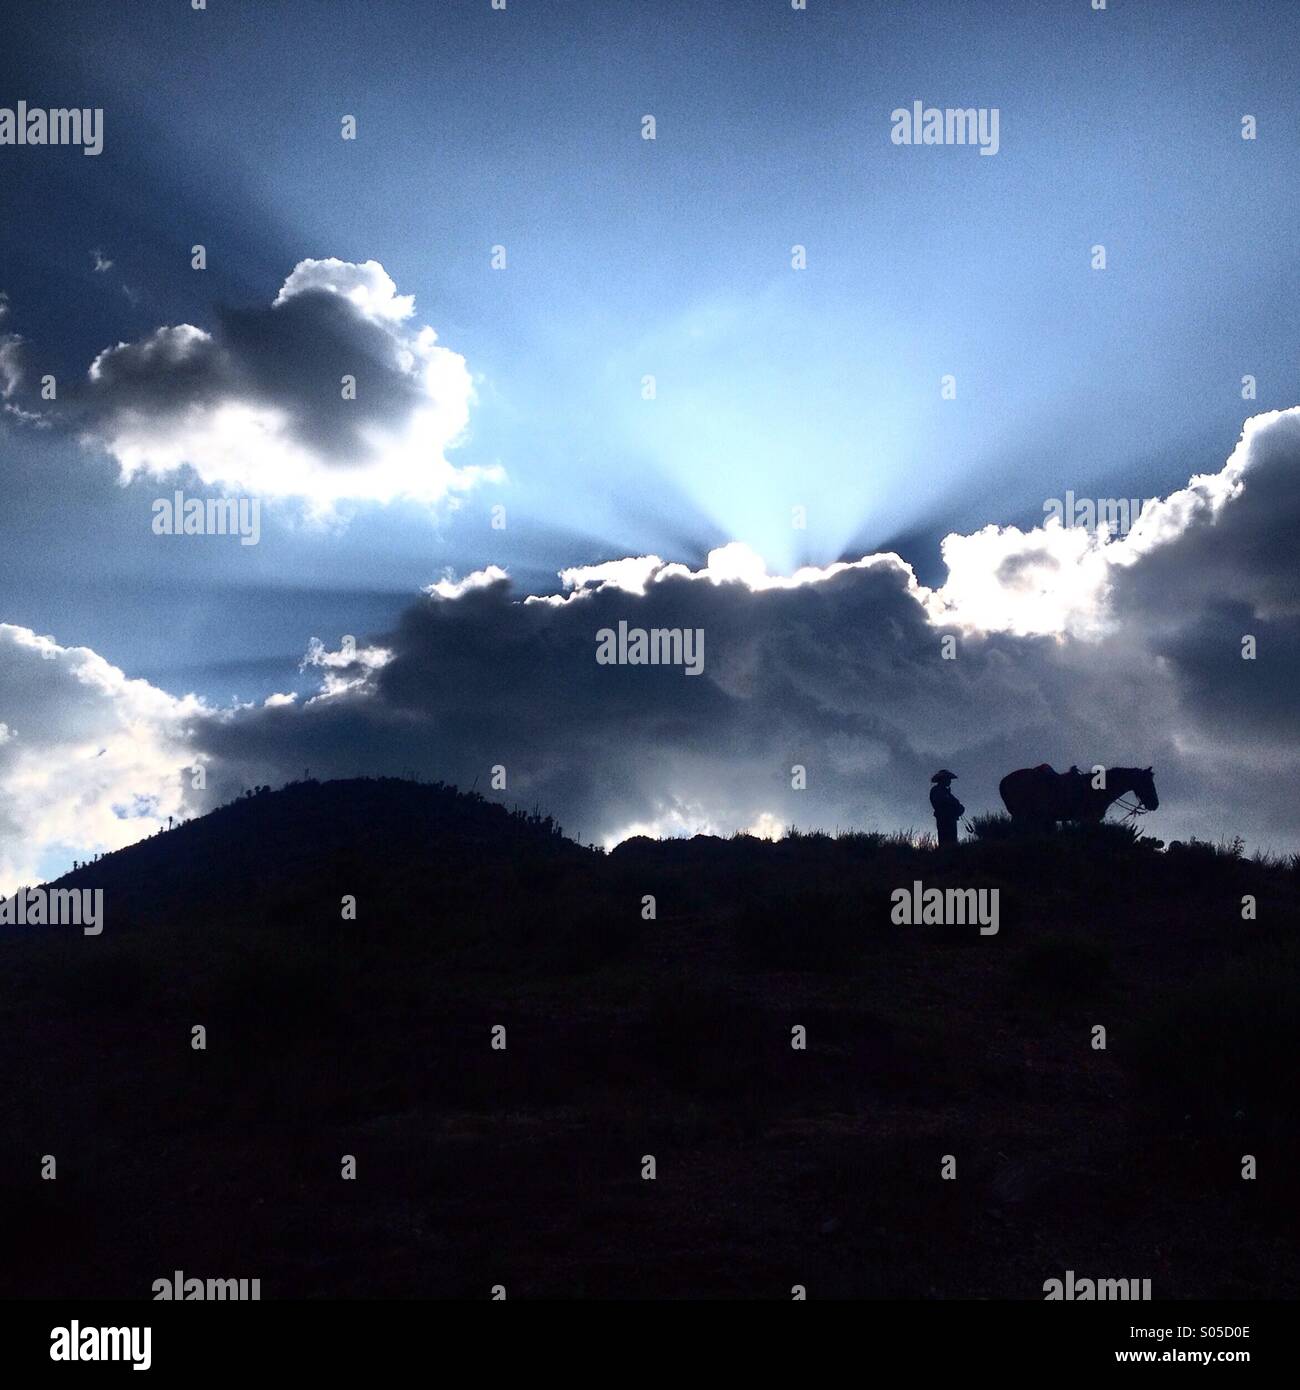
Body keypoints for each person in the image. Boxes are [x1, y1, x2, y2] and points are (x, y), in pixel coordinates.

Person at [930, 770, 964, 846]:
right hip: (944, 820)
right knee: (946, 842)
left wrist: (958, 808)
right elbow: (941, 804)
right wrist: (956, 808)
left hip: (950, 820)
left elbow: (954, 804)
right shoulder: (936, 790)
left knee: (952, 842)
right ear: (943, 779)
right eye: (948, 779)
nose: (950, 781)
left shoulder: (945, 792)